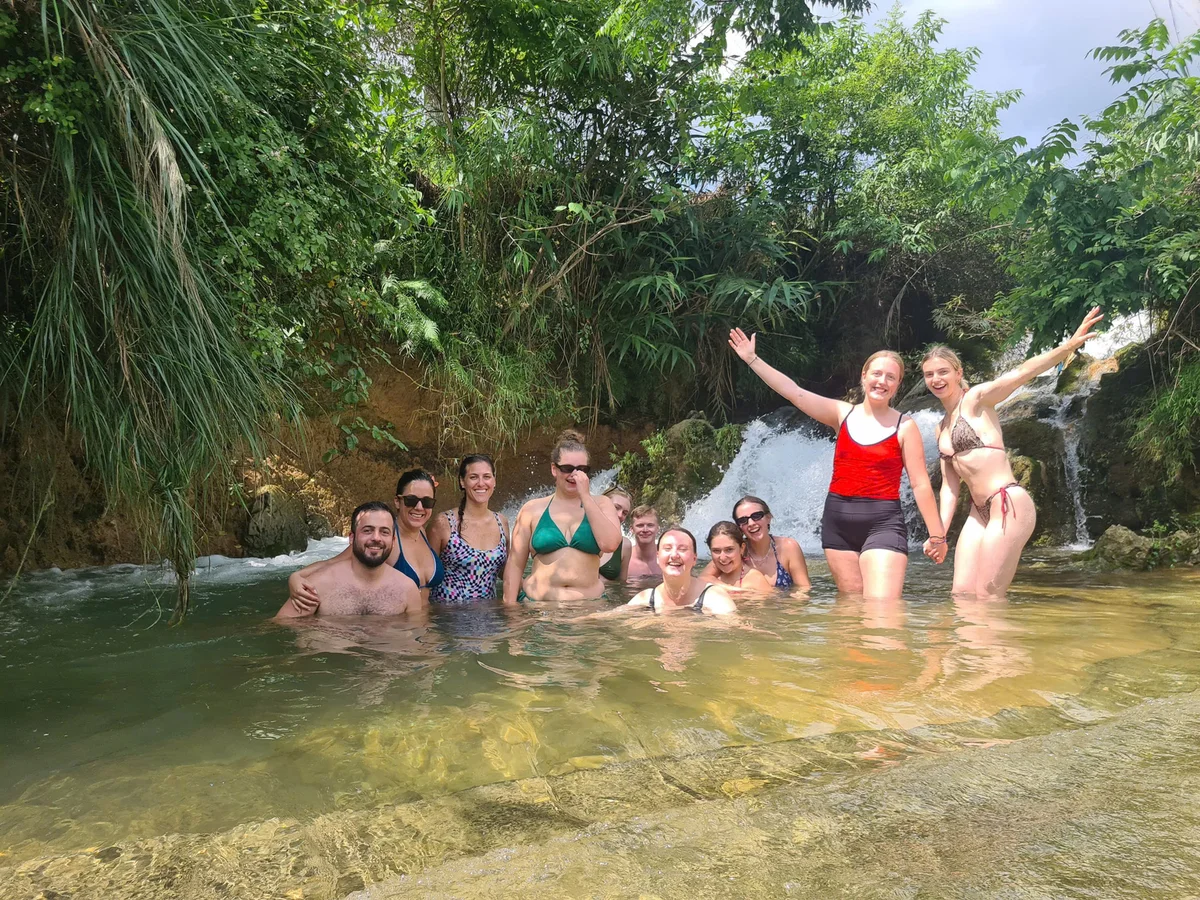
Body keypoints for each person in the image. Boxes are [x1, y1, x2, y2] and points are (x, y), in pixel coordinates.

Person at [729, 329, 947, 597]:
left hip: (884, 523)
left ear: (898, 384)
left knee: (882, 606)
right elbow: (794, 393)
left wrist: (937, 536)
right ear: (864, 376)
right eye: (877, 374)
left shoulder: (905, 426)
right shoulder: (841, 414)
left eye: (890, 377)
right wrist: (752, 359)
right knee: (851, 608)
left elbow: (920, 484)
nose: (882, 381)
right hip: (838, 524)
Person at [922, 306, 1104, 598]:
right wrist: (939, 534)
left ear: (958, 373)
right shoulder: (940, 428)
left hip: (1006, 502)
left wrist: (1069, 346)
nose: (936, 379)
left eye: (943, 372)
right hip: (978, 512)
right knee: (961, 594)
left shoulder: (977, 400)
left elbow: (1021, 373)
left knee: (987, 596)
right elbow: (949, 487)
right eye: (929, 374)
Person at [287, 468, 445, 607]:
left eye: (427, 502)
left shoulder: (422, 532)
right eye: (411, 500)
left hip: (428, 622)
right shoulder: (384, 539)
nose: (419, 507)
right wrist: (296, 577)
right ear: (398, 502)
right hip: (394, 626)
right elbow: (333, 563)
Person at [503, 430, 623, 603]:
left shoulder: (602, 504)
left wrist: (585, 496)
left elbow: (610, 544)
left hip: (589, 608)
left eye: (581, 469)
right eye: (567, 469)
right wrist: (511, 610)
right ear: (554, 469)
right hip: (538, 608)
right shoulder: (531, 509)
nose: (574, 475)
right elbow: (515, 565)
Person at [275, 502, 421, 617]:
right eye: (367, 530)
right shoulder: (318, 585)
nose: (376, 538)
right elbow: (281, 629)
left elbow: (415, 640)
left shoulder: (408, 590)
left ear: (393, 541)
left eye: (384, 532)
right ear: (351, 538)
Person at [428, 454, 509, 604]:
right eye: (473, 477)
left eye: (487, 477)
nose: (481, 483)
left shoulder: (501, 522)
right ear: (462, 481)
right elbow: (425, 575)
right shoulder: (444, 523)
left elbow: (505, 572)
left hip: (489, 615)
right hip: (447, 614)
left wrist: (534, 586)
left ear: (494, 481)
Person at [627, 527, 737, 615]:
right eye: (667, 549)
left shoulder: (714, 598)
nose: (674, 555)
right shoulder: (646, 599)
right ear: (657, 557)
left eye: (682, 549)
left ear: (694, 559)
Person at [730, 495, 812, 590]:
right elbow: (713, 580)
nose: (751, 523)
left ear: (768, 517)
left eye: (756, 516)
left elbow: (804, 589)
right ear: (738, 527)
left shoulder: (788, 547)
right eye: (743, 520)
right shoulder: (734, 551)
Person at [700, 521, 774, 592]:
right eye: (716, 550)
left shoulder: (756, 580)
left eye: (729, 549)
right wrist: (732, 589)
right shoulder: (714, 571)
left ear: (742, 548)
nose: (722, 558)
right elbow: (701, 578)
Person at [598, 486, 634, 581]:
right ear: (600, 504)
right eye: (616, 507)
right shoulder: (578, 533)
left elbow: (621, 585)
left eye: (625, 513)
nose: (620, 515)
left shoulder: (625, 545)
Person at [626, 505, 663, 579]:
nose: (645, 530)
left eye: (650, 525)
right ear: (632, 529)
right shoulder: (625, 560)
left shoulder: (667, 557)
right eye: (640, 525)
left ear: (657, 528)